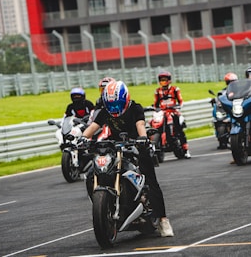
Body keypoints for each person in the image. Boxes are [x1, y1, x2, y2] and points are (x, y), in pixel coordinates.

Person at [82, 80, 174, 237]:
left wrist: (143, 138)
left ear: (125, 98)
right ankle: (106, 209)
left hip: (136, 145)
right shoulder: (104, 111)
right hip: (115, 147)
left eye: (117, 103)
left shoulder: (135, 108)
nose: (114, 108)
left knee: (151, 181)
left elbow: (140, 125)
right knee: (91, 173)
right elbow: (93, 127)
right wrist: (81, 138)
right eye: (111, 104)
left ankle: (163, 220)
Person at [154, 71, 191, 159]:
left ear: (169, 81)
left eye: (165, 80)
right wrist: (155, 109)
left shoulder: (175, 89)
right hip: (163, 113)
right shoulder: (157, 91)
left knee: (179, 130)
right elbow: (156, 104)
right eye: (161, 80)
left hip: (173, 112)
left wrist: (178, 106)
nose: (163, 82)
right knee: (154, 122)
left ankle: (186, 150)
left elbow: (181, 101)